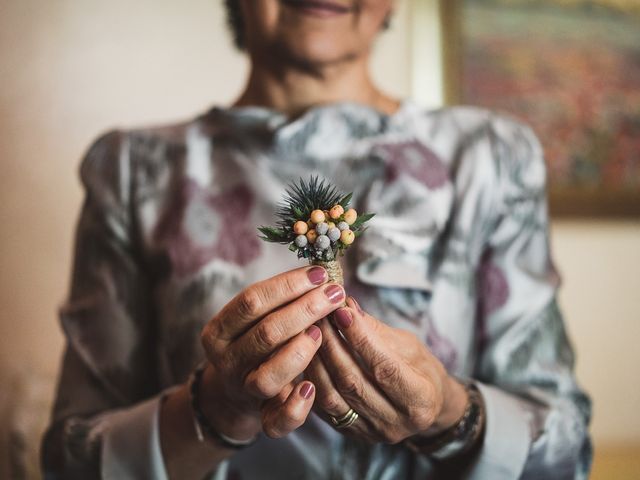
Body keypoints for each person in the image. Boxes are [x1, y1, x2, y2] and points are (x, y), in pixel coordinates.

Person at [41, 1, 592, 478]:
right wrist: (212, 409)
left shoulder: (490, 159)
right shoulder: (134, 171)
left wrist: (451, 413)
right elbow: (71, 463)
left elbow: (567, 451)